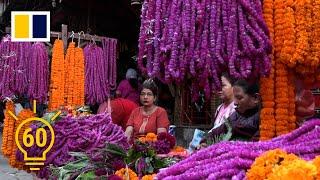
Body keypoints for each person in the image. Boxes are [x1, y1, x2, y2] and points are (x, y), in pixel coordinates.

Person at [201, 79, 261, 146]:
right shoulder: (235, 116)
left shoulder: (264, 119)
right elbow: (217, 132)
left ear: (256, 98)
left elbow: (253, 147)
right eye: (234, 97)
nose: (235, 103)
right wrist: (204, 142)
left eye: (239, 98)